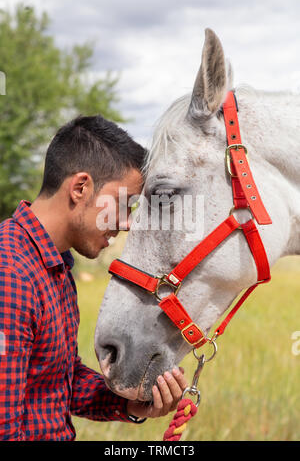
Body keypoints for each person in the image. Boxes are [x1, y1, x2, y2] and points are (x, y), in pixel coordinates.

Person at [0, 115, 188, 441]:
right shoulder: (10, 274)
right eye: (124, 204)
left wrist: (131, 404)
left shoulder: (54, 265)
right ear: (80, 187)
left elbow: (60, 380)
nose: (128, 223)